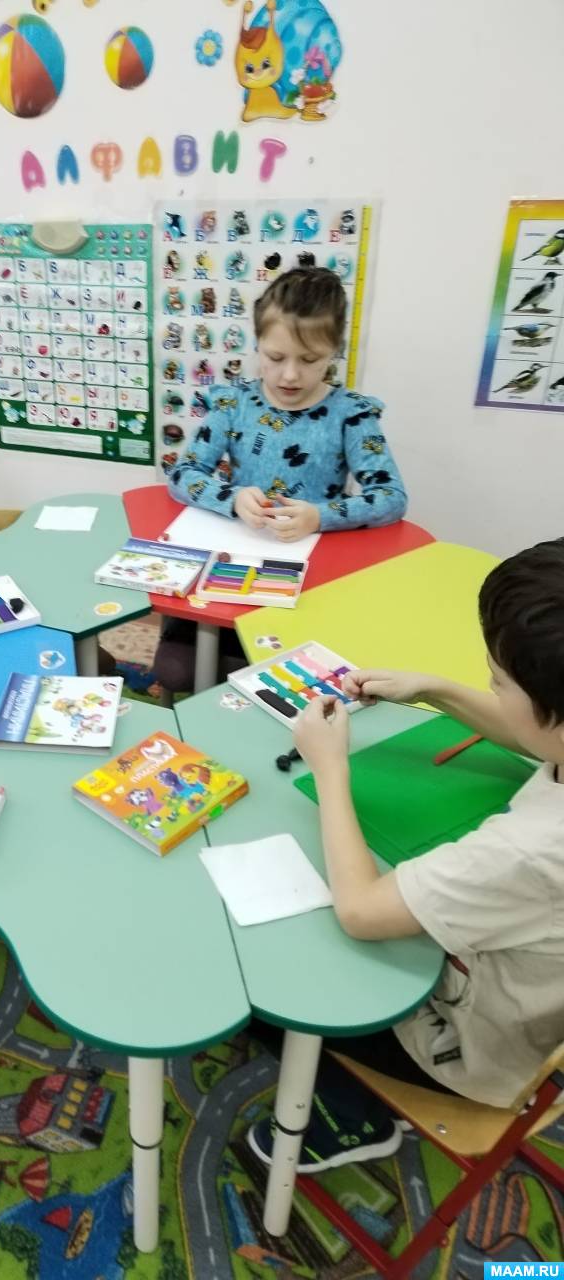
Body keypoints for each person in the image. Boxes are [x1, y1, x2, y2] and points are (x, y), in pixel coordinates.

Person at [247, 538, 564, 1171]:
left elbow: (362, 912)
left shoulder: (532, 851)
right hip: (527, 993)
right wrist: (436, 690)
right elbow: (541, 736)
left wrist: (329, 767)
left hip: (470, 1051)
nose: (489, 685)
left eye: (497, 681)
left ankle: (353, 1118)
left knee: (259, 986)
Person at [153, 267, 407, 693]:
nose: (290, 375)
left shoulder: (351, 415)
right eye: (275, 358)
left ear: (335, 351)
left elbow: (391, 497)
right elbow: (182, 474)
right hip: (231, 571)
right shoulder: (233, 403)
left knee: (289, 679)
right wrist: (232, 498)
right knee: (179, 670)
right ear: (257, 344)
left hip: (310, 582)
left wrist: (319, 516)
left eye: (309, 360)